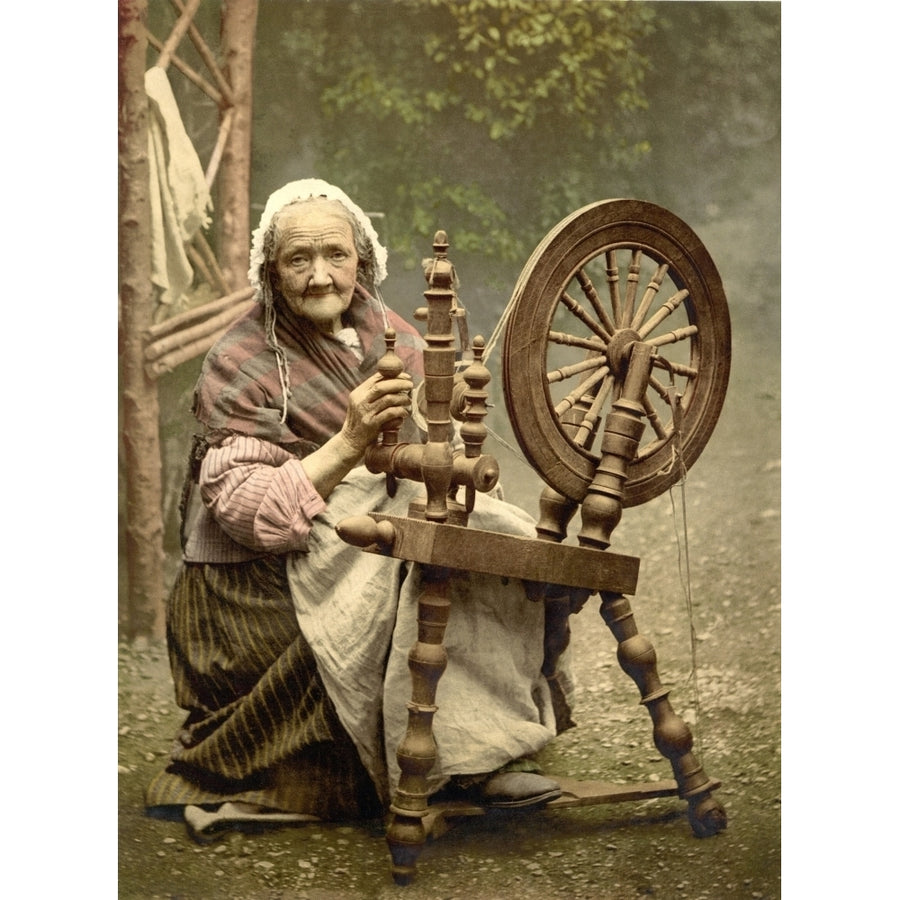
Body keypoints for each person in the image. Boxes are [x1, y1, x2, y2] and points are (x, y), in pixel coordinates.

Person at [145, 179, 573, 842]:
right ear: (270, 272)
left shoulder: (381, 325)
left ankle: (482, 744)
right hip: (250, 579)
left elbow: (422, 440)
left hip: (350, 522)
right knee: (407, 571)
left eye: (335, 256)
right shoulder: (241, 358)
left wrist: (449, 402)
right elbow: (244, 512)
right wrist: (348, 441)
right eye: (298, 260)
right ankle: (444, 766)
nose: (321, 277)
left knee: (492, 538)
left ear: (362, 260)